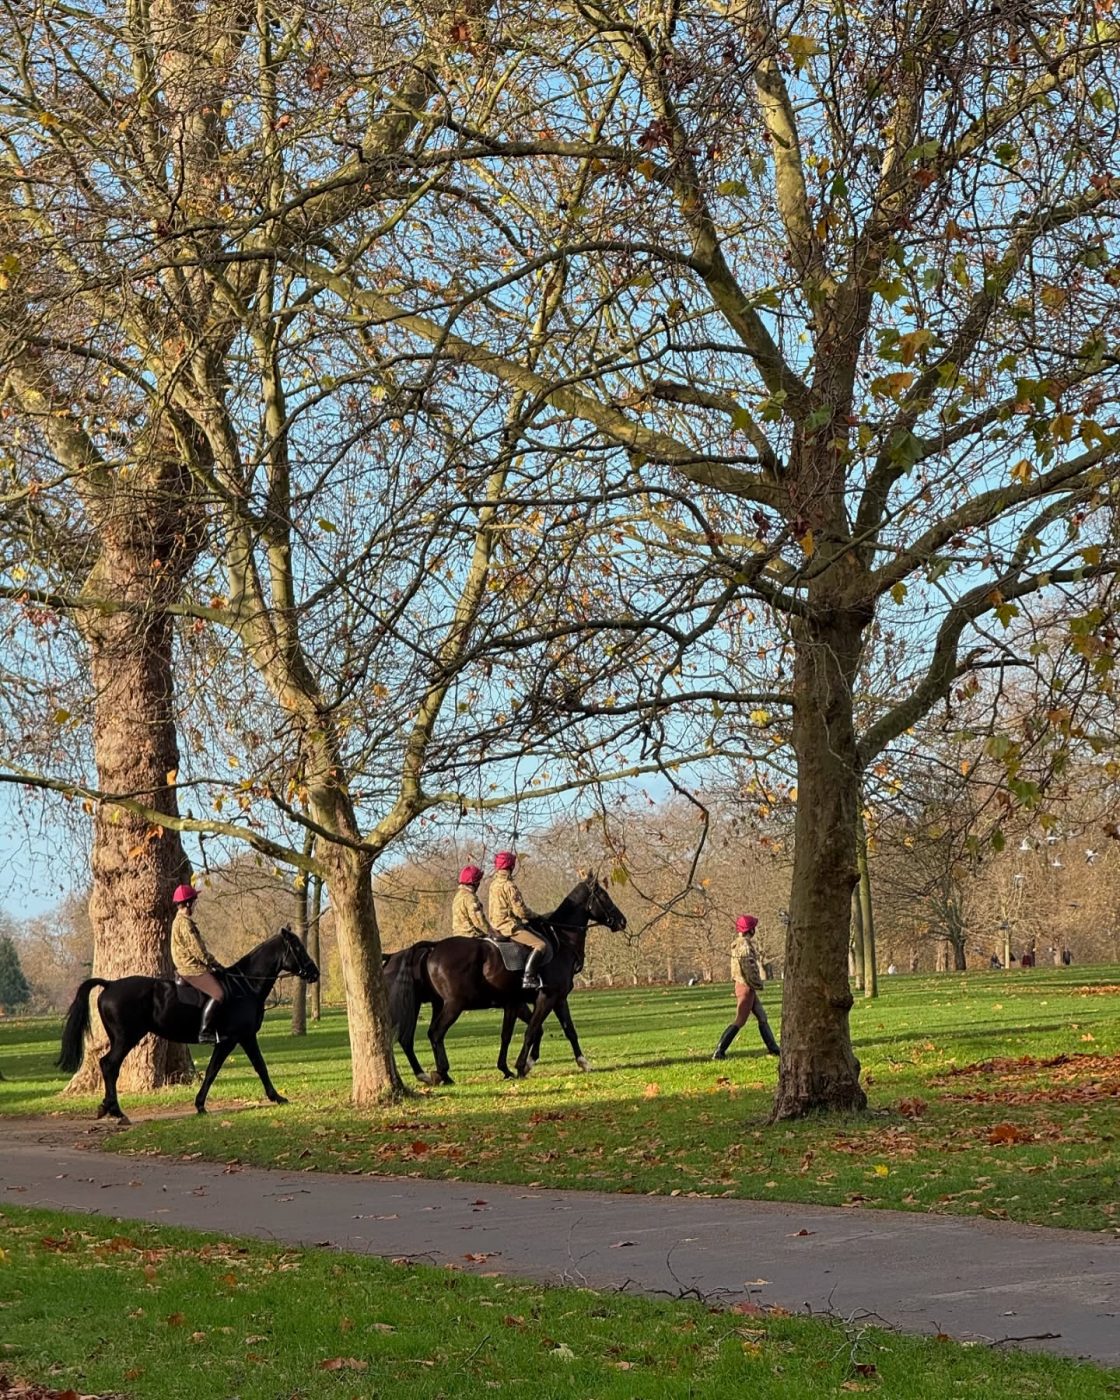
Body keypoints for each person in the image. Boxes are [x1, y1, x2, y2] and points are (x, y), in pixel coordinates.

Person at [712, 915, 780, 1060]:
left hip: (745, 985)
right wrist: (757, 983)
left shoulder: (738, 944)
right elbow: (749, 967)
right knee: (740, 1020)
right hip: (746, 986)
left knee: (762, 1017)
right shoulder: (744, 945)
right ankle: (719, 1051)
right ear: (751, 929)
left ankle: (774, 1048)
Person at [170, 883, 225, 1043]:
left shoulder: (179, 921)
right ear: (188, 903)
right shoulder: (185, 923)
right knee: (219, 994)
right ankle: (205, 1032)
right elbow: (198, 950)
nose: (195, 904)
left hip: (188, 966)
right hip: (191, 968)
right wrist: (215, 963)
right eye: (194, 901)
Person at [487, 851, 549, 990]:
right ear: (511, 866)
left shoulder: (494, 884)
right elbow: (520, 911)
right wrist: (536, 916)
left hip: (495, 925)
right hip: (509, 926)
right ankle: (529, 977)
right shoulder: (509, 886)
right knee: (540, 945)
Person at [451, 865, 496, 938]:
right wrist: (491, 931)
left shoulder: (457, 896)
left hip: (457, 935)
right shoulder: (470, 898)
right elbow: (479, 922)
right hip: (471, 935)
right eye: (478, 882)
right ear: (475, 883)